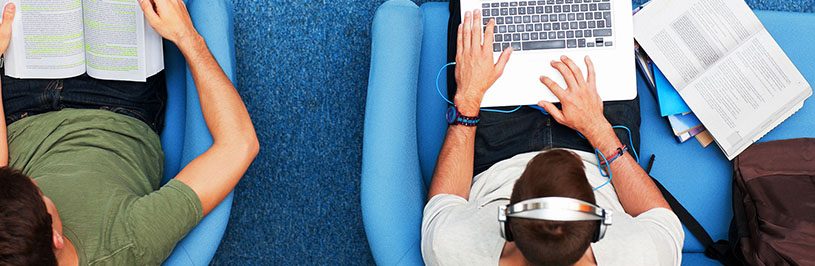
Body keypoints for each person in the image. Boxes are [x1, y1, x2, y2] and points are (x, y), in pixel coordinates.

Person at [0, 0, 259, 265]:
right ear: (56, 239)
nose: (32, 181)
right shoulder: (129, 241)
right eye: (39, 193)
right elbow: (240, 144)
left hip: (24, 103)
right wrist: (186, 36)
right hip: (119, 101)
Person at [421, 9, 684, 266]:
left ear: (507, 223)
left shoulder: (451, 248)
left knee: (479, 15)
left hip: (498, 152)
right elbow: (658, 216)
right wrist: (597, 129)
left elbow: (446, 201)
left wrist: (468, 99)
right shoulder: (643, 257)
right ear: (598, 227)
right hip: (598, 147)